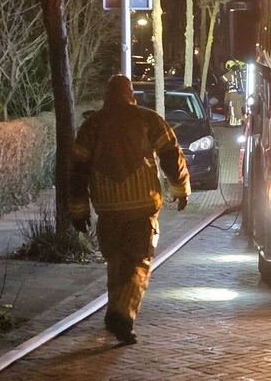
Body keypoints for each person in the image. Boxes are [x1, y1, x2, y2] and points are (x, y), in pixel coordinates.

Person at [69, 74, 191, 345]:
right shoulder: (148, 120)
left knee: (116, 263)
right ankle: (122, 316)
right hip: (141, 207)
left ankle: (113, 314)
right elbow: (171, 156)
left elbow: (77, 171)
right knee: (139, 262)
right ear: (131, 94)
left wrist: (78, 210)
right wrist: (181, 190)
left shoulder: (91, 126)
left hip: (107, 209)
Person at [222, 59, 246, 127]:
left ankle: (233, 122)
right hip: (240, 93)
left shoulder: (229, 74)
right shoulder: (240, 73)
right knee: (238, 107)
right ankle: (239, 122)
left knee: (232, 107)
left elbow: (223, 79)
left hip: (232, 93)